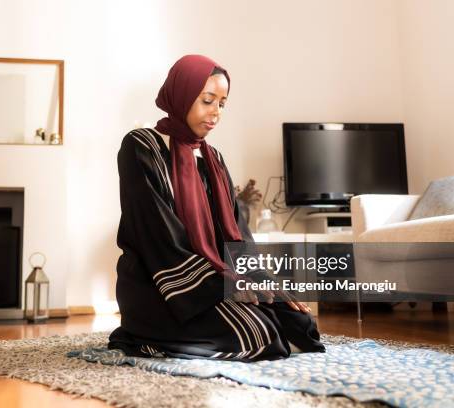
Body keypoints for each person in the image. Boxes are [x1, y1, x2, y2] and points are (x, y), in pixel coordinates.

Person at [108, 55, 325, 361]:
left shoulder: (214, 159)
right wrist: (223, 286)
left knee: (301, 326)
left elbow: (238, 236)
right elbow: (157, 236)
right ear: (181, 94)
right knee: (256, 333)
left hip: (217, 281)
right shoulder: (142, 147)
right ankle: (141, 334)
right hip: (162, 288)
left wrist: (266, 283)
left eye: (222, 103)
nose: (215, 112)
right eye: (207, 100)